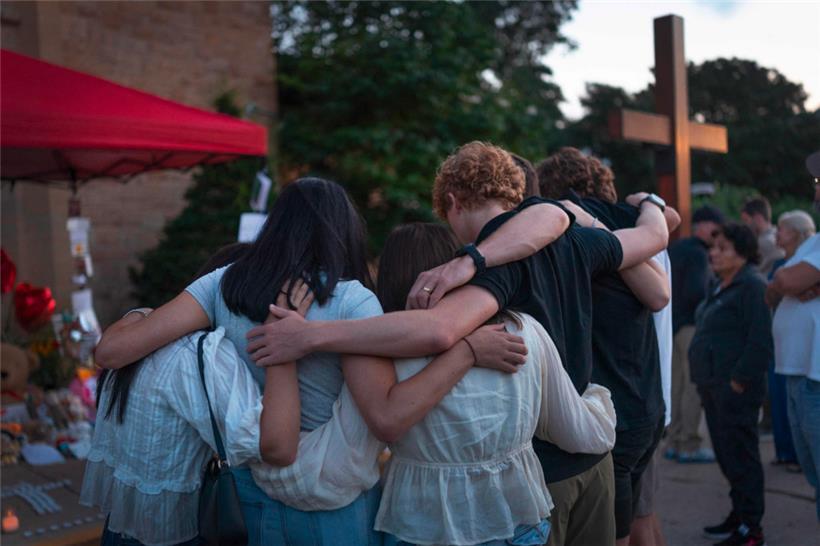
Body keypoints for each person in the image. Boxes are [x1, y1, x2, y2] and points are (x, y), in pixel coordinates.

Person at [93, 176, 568, 545]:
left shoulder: (222, 284)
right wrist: (467, 351)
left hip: (244, 495)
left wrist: (142, 313)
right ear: (344, 233)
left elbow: (111, 353)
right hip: (331, 507)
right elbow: (387, 415)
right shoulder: (350, 300)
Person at [248, 142, 671, 546]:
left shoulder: (495, 265)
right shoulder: (577, 242)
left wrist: (311, 336)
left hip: (546, 469)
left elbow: (438, 330)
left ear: (452, 201)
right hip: (592, 461)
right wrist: (650, 201)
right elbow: (654, 238)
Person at [374, 222, 617, 545]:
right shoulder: (523, 330)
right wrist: (601, 405)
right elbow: (572, 428)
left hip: (418, 522)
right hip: (513, 517)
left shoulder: (380, 347)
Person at [81, 243, 303, 546]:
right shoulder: (202, 354)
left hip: (119, 528)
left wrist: (141, 313)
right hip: (176, 533)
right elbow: (269, 446)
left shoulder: (135, 342)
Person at [537, 147, 678, 546]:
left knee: (615, 534)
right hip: (649, 402)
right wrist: (650, 201)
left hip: (613, 414)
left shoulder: (571, 230)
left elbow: (657, 293)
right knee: (640, 521)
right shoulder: (639, 221)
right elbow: (670, 219)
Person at [689, 223, 772, 546]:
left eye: (722, 247)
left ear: (742, 251)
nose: (713, 252)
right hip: (713, 386)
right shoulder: (722, 284)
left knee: (742, 457)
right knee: (728, 456)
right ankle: (739, 515)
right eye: (713, 246)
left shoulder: (752, 285)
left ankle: (752, 529)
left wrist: (739, 380)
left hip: (735, 389)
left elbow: (760, 341)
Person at [767, 211, 820, 521]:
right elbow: (772, 290)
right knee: (812, 475)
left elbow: (784, 280)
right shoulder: (813, 243)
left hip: (814, 376)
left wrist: (790, 284)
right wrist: (790, 285)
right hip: (796, 372)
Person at [665, 205, 725, 464]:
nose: (719, 234)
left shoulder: (675, 247)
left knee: (676, 385)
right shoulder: (699, 255)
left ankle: (674, 441)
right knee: (693, 386)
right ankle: (689, 444)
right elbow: (696, 291)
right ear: (704, 225)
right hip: (691, 326)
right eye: (716, 227)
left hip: (671, 324)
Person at [741, 197, 785, 276]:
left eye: (746, 220)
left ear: (758, 218)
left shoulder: (763, 242)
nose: (744, 226)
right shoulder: (776, 234)